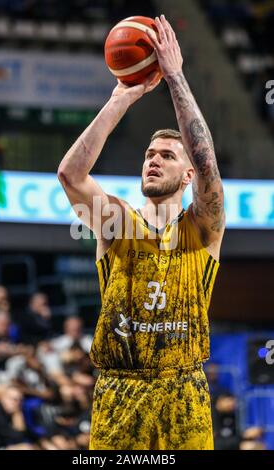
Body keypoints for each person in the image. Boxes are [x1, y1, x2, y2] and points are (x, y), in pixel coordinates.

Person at [58, 15, 225, 450]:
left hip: (184, 391)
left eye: (166, 155)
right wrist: (120, 98)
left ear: (187, 174)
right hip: (120, 391)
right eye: (149, 154)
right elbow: (71, 174)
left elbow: (208, 165)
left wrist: (175, 77)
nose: (152, 159)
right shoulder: (116, 221)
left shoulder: (202, 225)